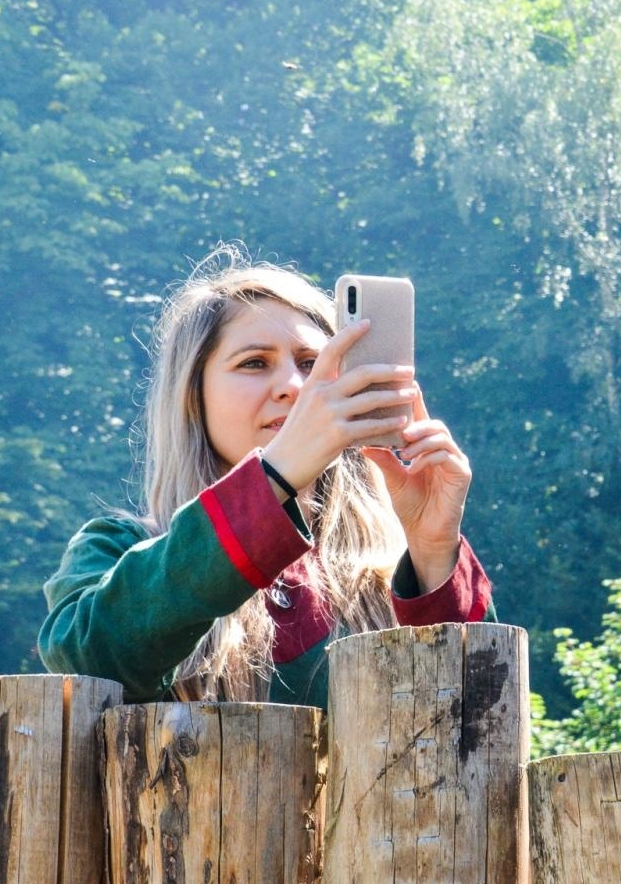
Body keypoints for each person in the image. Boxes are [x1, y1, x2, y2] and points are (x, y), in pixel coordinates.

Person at [41, 248, 490, 706]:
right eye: (254, 362)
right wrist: (275, 474)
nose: (294, 386)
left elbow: (481, 713)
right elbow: (86, 662)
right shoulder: (115, 548)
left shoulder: (395, 574)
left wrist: (434, 551)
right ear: (194, 395)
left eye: (311, 362)